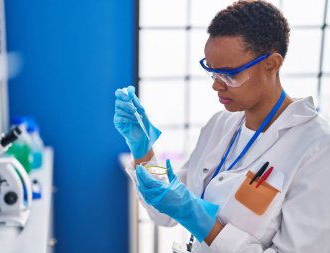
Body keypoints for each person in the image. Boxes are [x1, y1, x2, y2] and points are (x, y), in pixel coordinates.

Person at [114, 1, 330, 252]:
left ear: (271, 64)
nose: (216, 85)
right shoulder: (220, 125)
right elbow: (165, 210)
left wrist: (202, 222)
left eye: (229, 74)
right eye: (212, 71)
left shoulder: (317, 149)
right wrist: (143, 150)